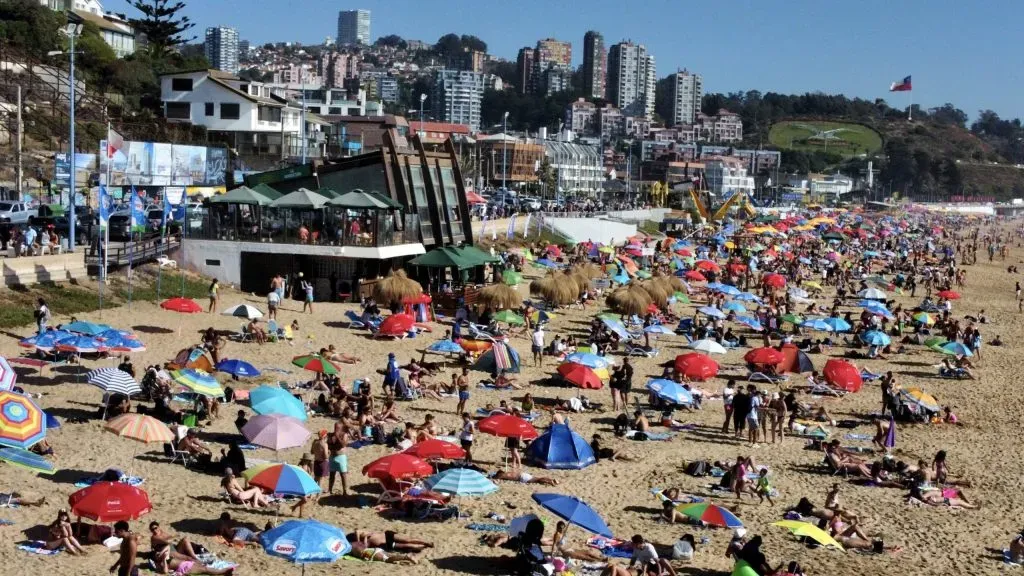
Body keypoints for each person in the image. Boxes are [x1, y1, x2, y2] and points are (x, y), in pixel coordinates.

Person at [328, 422, 349, 496]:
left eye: (337, 428)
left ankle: (345, 491)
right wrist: (334, 445)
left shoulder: (344, 435)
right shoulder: (330, 435)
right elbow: (329, 446)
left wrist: (337, 437)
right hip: (332, 456)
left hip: (341, 456)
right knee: (332, 474)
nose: (335, 429)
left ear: (341, 428)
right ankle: (330, 489)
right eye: (335, 427)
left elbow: (343, 445)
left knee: (343, 474)